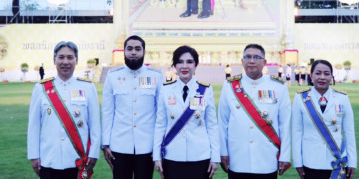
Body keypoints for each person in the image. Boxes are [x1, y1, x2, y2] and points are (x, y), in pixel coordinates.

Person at [27, 41, 100, 179]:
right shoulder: (41, 88)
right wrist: (34, 156)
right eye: (61, 57)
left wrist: (94, 153)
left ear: (76, 60)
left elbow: (95, 125)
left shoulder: (88, 87)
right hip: (49, 159)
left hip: (78, 159)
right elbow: (34, 126)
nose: (65, 62)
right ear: (54, 60)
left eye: (70, 57)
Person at [218, 44, 291, 179]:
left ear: (264, 62)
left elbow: (285, 124)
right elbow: (223, 123)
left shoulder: (278, 86)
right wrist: (223, 152)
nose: (251, 60)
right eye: (248, 57)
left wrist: (285, 155)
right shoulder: (229, 86)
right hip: (238, 158)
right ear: (242, 61)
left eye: (256, 57)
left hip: (267, 158)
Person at [101, 35, 164, 179]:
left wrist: (158, 144)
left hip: (147, 146)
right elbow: (107, 112)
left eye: (137, 49)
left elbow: (161, 114)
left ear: (144, 52)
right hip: (119, 145)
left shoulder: (156, 76)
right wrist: (105, 144)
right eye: (129, 49)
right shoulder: (113, 77)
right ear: (124, 52)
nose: (133, 52)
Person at [153, 45, 219, 179]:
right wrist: (156, 156)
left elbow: (212, 125)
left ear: (196, 65)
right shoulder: (165, 90)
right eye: (180, 62)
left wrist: (215, 157)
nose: (184, 66)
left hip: (200, 156)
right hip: (172, 155)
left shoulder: (206, 90)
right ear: (174, 66)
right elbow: (160, 124)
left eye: (189, 62)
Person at [292, 60, 357, 179]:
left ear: (332, 77)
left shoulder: (343, 98)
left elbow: (349, 132)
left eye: (326, 74)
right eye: (318, 73)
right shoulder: (300, 98)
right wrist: (297, 162)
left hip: (336, 159)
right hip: (310, 161)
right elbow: (297, 132)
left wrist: (352, 161)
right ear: (311, 76)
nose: (322, 77)